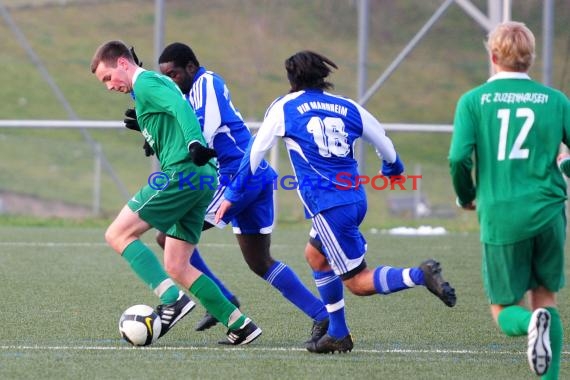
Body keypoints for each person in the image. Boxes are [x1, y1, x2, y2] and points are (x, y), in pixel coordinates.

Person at [216, 50, 457, 354]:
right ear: (323, 77)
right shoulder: (349, 106)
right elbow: (385, 143)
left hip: (329, 207)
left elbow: (254, 154)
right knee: (315, 256)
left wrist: (232, 194)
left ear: (292, 78)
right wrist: (392, 168)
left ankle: (419, 275)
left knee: (357, 282)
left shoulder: (284, 107)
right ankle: (338, 333)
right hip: (355, 200)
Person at [150, 42, 329, 342]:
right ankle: (322, 316)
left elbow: (203, 133)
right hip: (253, 178)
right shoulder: (191, 92)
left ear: (192, 68)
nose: (171, 81)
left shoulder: (206, 82)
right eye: (165, 77)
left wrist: (166, 139)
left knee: (167, 236)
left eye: (174, 74)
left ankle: (221, 301)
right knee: (260, 262)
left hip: (237, 179)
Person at [90, 40, 261, 345]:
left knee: (117, 234)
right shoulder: (143, 90)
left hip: (182, 174)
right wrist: (149, 134)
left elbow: (180, 106)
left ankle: (173, 300)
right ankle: (241, 325)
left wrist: (195, 142)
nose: (108, 86)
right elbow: (169, 116)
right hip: (202, 180)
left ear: (123, 64)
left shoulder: (146, 83)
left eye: (107, 77)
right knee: (177, 265)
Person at [449, 21, 568, 378]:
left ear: (494, 55)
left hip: (501, 213)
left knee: (503, 309)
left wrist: (466, 196)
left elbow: (458, 158)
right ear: (530, 58)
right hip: (549, 212)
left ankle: (531, 324)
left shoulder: (473, 101)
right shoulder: (556, 100)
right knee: (546, 297)